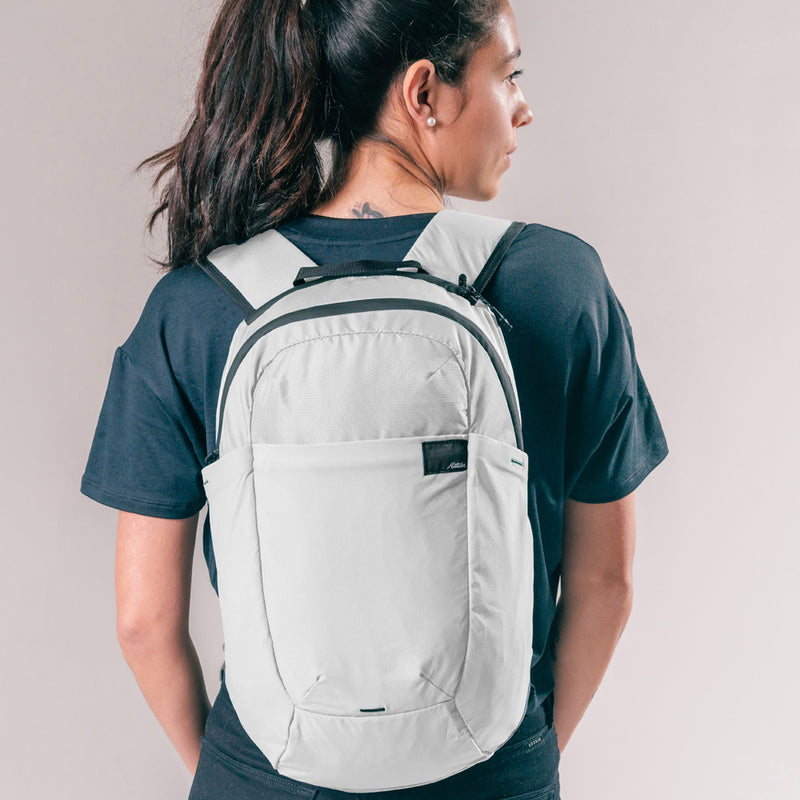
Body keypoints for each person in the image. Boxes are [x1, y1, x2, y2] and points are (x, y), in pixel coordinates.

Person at [80, 0, 669, 798]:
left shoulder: (196, 306)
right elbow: (607, 586)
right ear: (425, 94)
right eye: (509, 74)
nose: (523, 108)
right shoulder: (560, 285)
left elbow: (143, 624)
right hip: (493, 774)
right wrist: (520, 755)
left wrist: (233, 777)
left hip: (264, 774)